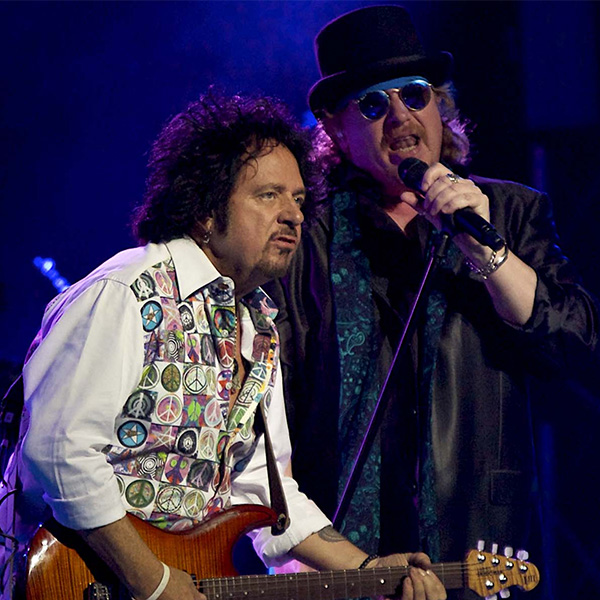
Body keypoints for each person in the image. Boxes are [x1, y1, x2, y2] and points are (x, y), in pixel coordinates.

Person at [0, 90, 446, 600]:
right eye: (269, 195)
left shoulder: (258, 329)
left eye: (299, 199)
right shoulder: (128, 292)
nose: (295, 216)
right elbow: (59, 452)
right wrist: (154, 581)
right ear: (205, 211)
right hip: (69, 580)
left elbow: (265, 492)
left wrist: (368, 568)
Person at [265, 6, 599, 599]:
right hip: (339, 551)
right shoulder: (304, 233)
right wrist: (287, 540)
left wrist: (484, 250)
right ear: (335, 129)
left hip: (477, 546)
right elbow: (264, 404)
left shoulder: (510, 212)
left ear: (440, 106)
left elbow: (572, 343)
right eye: (374, 104)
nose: (401, 117)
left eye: (415, 95)